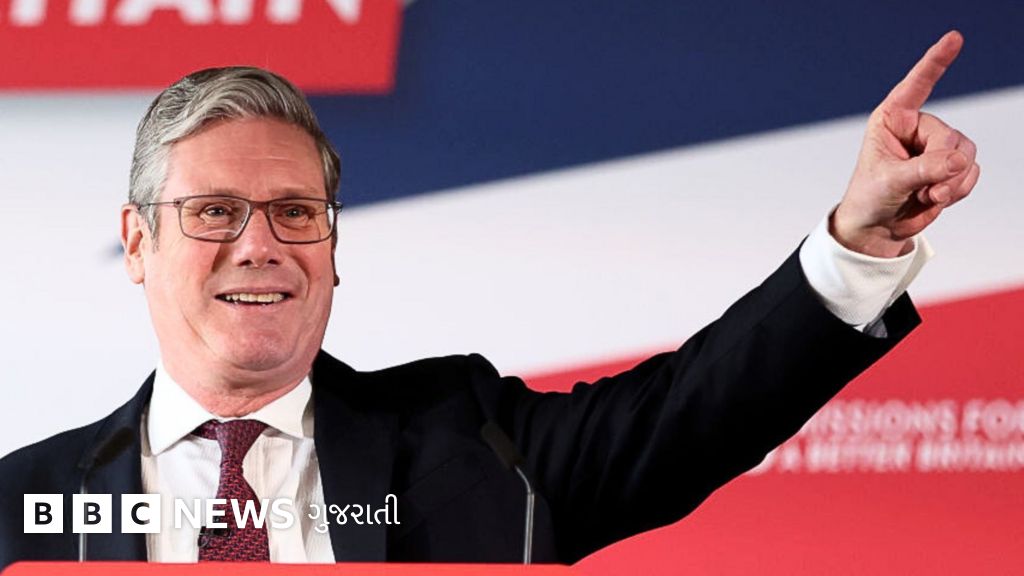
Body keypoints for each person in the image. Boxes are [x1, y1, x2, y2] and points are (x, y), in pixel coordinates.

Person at [0, 31, 978, 566]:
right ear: (139, 241)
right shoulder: (16, 507)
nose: (259, 245)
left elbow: (692, 413)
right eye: (215, 211)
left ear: (332, 248)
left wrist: (861, 238)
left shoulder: (473, 445)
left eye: (296, 212)